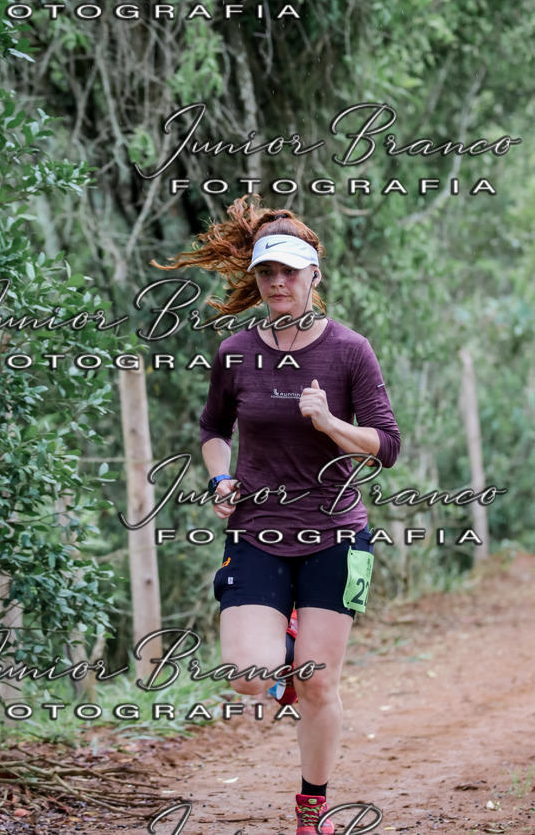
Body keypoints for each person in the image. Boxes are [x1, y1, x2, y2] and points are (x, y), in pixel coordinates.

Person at [158, 196, 401, 834]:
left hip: (336, 535)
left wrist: (327, 422)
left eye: (292, 272)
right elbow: (214, 428)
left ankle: (311, 808)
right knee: (248, 675)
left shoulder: (349, 351)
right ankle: (286, 647)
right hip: (258, 532)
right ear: (257, 278)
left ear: (314, 277)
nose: (279, 283)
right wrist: (220, 475)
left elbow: (388, 446)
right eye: (269, 273)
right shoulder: (236, 350)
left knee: (318, 684)